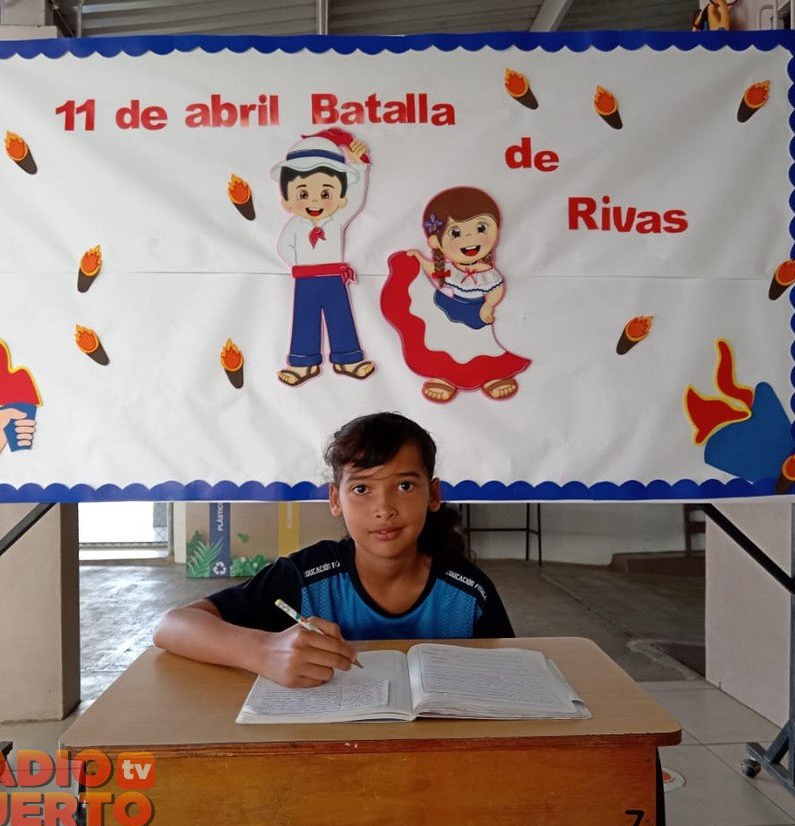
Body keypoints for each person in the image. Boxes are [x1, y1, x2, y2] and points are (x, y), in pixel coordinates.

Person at [153, 412, 514, 687]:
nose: (384, 509)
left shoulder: (470, 593)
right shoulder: (305, 577)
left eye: (404, 486)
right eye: (361, 489)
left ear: (433, 495)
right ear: (335, 499)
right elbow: (171, 626)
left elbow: (509, 678)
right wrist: (261, 652)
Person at [380, 186, 530, 404]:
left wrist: (488, 305)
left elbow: (495, 289)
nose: (469, 237)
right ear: (436, 242)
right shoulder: (451, 269)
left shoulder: (487, 273)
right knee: (442, 341)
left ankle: (490, 376)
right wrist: (419, 260)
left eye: (480, 228)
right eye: (456, 232)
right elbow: (433, 270)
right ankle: (446, 377)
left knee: (480, 344)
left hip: (475, 312)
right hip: (447, 307)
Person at [271, 128, 377, 387]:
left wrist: (359, 165)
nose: (315, 201)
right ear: (286, 201)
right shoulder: (295, 226)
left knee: (340, 316)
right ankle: (302, 362)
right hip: (305, 279)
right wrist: (300, 263)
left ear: (341, 199)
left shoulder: (337, 219)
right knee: (304, 319)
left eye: (326, 193)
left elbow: (356, 197)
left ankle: (348, 358)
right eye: (303, 194)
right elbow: (284, 248)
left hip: (333, 277)